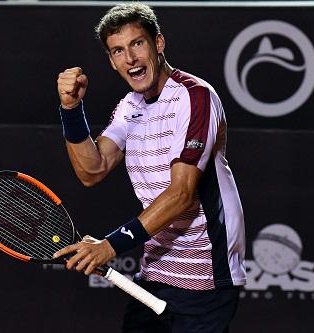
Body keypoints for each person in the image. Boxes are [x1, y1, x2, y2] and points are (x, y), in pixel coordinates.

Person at [53, 3, 246, 332]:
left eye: (137, 44)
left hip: (207, 280)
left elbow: (182, 194)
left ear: (158, 44)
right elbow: (92, 169)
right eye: (118, 50)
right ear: (112, 62)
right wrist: (71, 110)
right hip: (155, 275)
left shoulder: (194, 96)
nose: (130, 58)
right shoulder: (130, 107)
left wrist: (109, 245)